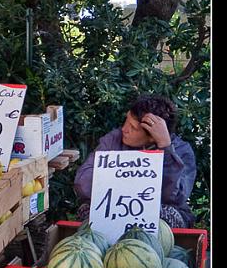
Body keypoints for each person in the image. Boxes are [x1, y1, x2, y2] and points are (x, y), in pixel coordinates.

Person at [74, 95, 196, 228]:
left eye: (133, 127)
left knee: (167, 216)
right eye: (126, 121)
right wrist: (125, 194)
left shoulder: (181, 150)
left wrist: (165, 147)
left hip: (158, 212)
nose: (124, 129)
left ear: (152, 136)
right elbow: (82, 183)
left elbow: (175, 198)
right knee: (87, 212)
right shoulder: (112, 140)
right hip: (110, 205)